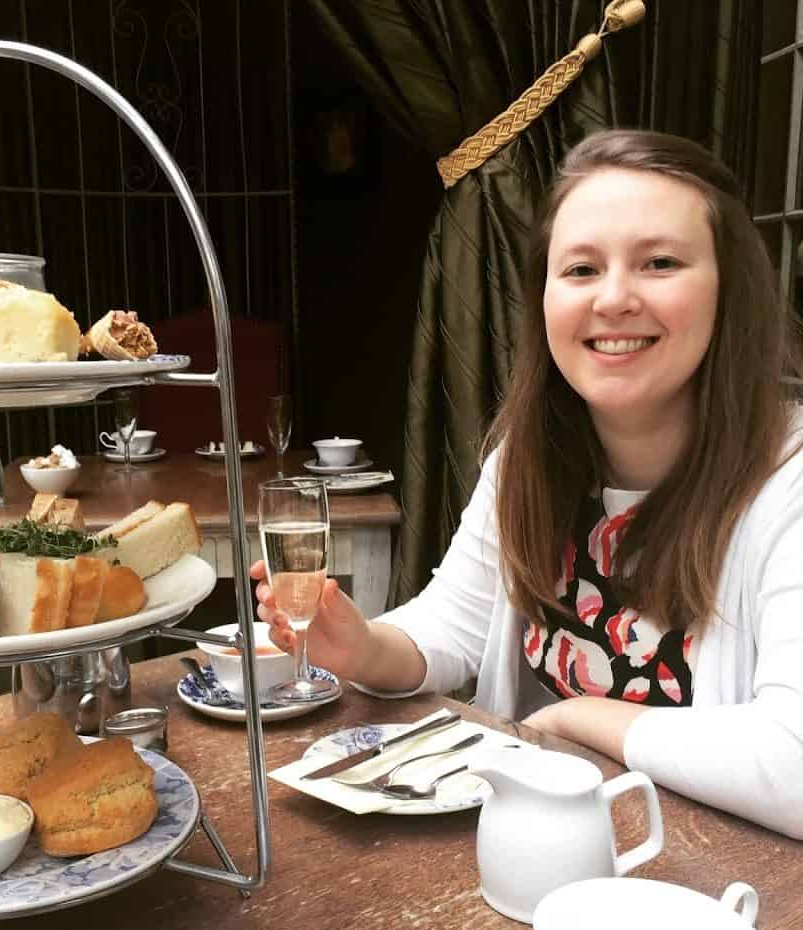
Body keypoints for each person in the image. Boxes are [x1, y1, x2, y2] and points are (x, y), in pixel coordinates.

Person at [252, 129, 803, 840]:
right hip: (536, 851)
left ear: (731, 289)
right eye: (581, 269)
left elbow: (792, 763)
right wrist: (361, 647)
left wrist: (577, 719)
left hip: (714, 883)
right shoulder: (526, 459)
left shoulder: (787, 480)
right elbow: (451, 624)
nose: (614, 298)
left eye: (660, 263)